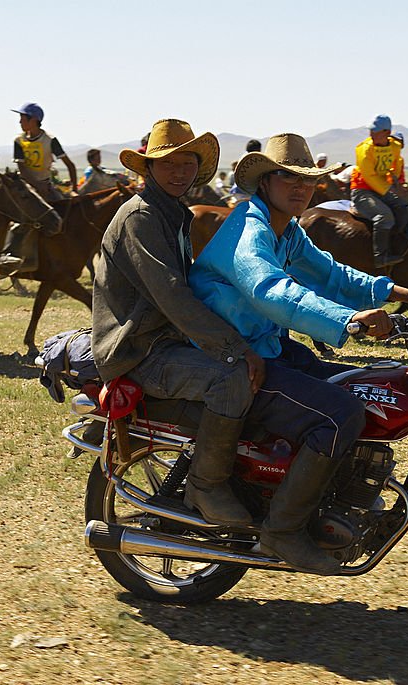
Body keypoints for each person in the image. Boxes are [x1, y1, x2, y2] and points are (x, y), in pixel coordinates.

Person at [189, 133, 408, 574]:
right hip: (231, 359)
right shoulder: (250, 227)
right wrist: (351, 321)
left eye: (307, 178)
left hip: (268, 349)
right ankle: (282, 531)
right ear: (265, 181)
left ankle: (335, 498)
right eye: (287, 177)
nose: (300, 186)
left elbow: (333, 274)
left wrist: (404, 293)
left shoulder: (287, 231)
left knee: (369, 390)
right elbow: (271, 292)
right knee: (339, 415)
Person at [92, 118, 264, 528]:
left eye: (187, 162)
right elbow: (172, 295)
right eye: (169, 162)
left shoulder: (173, 215)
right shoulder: (141, 217)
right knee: (231, 378)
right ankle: (205, 486)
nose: (179, 171)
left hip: (164, 341)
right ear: (148, 168)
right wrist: (235, 347)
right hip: (139, 349)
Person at [0, 102, 79, 274]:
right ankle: (8, 255)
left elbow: (70, 165)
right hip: (26, 187)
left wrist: (74, 190)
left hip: (47, 186)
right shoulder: (18, 141)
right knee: (20, 219)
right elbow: (22, 168)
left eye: (22, 118)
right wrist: (35, 186)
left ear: (34, 120)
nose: (20, 122)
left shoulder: (50, 140)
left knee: (65, 216)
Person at [350, 114, 408, 268]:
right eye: (371, 130)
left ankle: (397, 247)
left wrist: (398, 185)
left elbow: (395, 166)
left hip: (382, 189)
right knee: (384, 216)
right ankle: (380, 257)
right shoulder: (364, 149)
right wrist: (390, 189)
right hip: (362, 190)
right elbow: (369, 176)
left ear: (386, 132)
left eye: (374, 131)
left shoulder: (394, 147)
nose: (371, 134)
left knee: (404, 207)